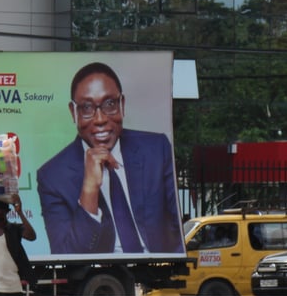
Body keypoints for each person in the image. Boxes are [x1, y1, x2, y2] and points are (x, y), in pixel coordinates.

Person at [35, 62, 184, 255]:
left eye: (109, 104)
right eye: (87, 107)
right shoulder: (53, 176)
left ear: (122, 104)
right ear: (74, 112)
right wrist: (89, 189)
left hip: (155, 266)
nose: (100, 119)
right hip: (99, 271)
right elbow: (66, 254)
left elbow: (177, 231)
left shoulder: (156, 149)